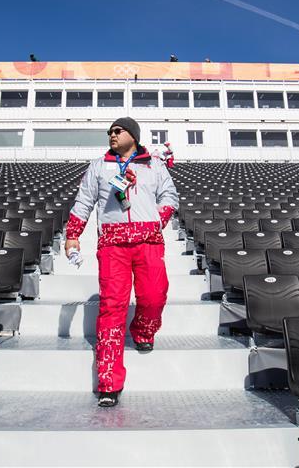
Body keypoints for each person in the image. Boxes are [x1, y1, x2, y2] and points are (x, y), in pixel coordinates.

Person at [64, 117, 179, 408]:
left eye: (118, 131)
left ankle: (142, 330)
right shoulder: (98, 166)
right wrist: (73, 235)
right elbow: (83, 201)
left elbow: (170, 195)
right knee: (112, 308)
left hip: (148, 241)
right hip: (113, 244)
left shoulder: (154, 164)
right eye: (110, 132)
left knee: (154, 296)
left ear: (133, 135)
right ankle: (108, 382)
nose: (111, 135)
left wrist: (157, 219)